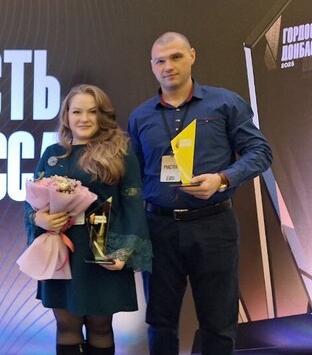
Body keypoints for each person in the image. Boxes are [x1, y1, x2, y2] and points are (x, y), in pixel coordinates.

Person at [127, 32, 272, 355]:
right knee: (160, 322)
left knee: (218, 323)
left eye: (176, 57)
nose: (168, 66)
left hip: (214, 226)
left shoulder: (225, 103)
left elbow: (260, 152)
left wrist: (222, 179)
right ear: (152, 66)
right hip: (159, 229)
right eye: (160, 61)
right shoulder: (140, 116)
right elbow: (133, 178)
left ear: (192, 55)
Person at [26, 84, 152, 355]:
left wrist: (124, 251)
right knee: (66, 327)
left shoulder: (120, 152)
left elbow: (133, 206)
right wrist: (40, 219)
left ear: (102, 115)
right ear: (66, 116)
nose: (84, 118)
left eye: (92, 111)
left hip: (103, 247)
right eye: (77, 111)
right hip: (60, 249)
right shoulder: (52, 154)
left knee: (101, 327)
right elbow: (31, 204)